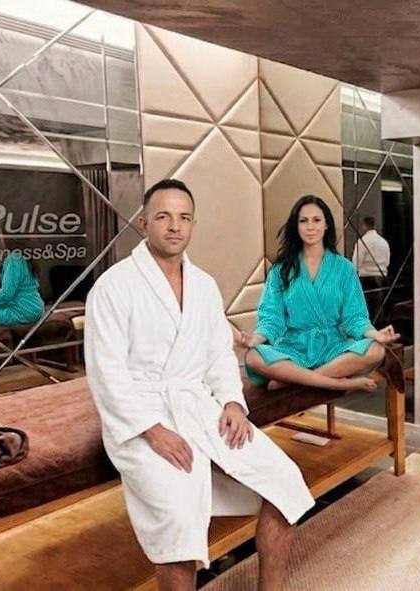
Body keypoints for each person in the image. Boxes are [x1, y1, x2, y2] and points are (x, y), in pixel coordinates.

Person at [84, 178, 314, 591]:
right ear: (143, 223)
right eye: (163, 216)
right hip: (141, 417)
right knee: (178, 517)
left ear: (193, 224)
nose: (175, 226)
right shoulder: (113, 287)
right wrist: (153, 430)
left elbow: (218, 355)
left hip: (197, 406)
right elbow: (106, 373)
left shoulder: (204, 285)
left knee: (284, 479)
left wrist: (233, 404)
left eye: (184, 217)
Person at [239, 195, 399, 392]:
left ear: (326, 225)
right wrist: (254, 339)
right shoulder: (281, 270)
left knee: (376, 350)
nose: (310, 227)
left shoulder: (344, 268)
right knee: (253, 356)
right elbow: (272, 319)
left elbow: (354, 318)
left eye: (316, 220)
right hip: (293, 348)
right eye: (303, 221)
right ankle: (334, 382)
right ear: (296, 226)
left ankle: (294, 379)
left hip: (333, 348)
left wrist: (376, 334)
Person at [351, 216, 390, 318]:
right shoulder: (383, 242)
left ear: (364, 226)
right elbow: (387, 261)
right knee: (378, 308)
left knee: (366, 309)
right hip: (381, 278)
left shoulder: (363, 241)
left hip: (366, 277)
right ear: (375, 225)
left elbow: (356, 262)